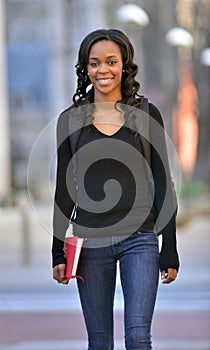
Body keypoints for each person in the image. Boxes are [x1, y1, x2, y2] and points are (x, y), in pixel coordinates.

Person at [52, 28, 180, 350]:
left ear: (124, 65)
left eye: (111, 61)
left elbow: (163, 180)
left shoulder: (147, 115)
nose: (103, 70)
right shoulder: (70, 121)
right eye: (94, 63)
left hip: (140, 239)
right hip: (90, 243)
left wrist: (170, 246)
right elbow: (65, 190)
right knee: (99, 342)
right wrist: (58, 251)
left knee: (138, 338)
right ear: (86, 68)